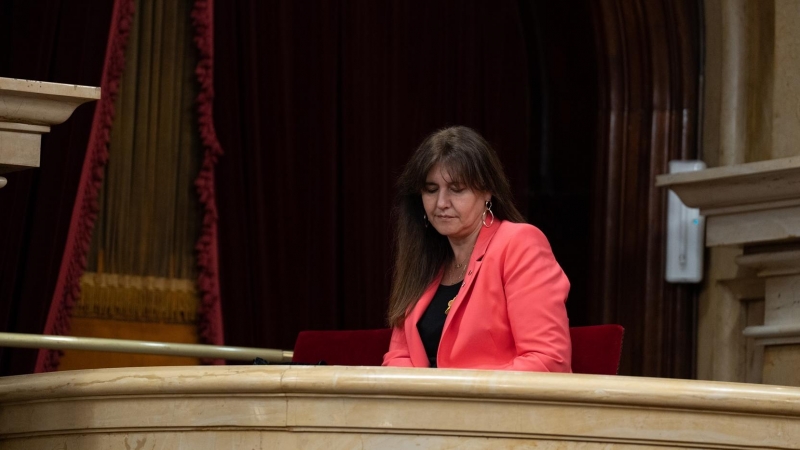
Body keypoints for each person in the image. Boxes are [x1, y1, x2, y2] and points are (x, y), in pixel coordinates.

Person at [382, 126, 571, 372]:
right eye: (431, 190)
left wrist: (456, 398)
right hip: (425, 409)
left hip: (497, 408)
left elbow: (547, 360)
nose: (441, 203)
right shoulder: (425, 259)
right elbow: (398, 357)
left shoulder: (520, 244)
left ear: (487, 192)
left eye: (456, 189)